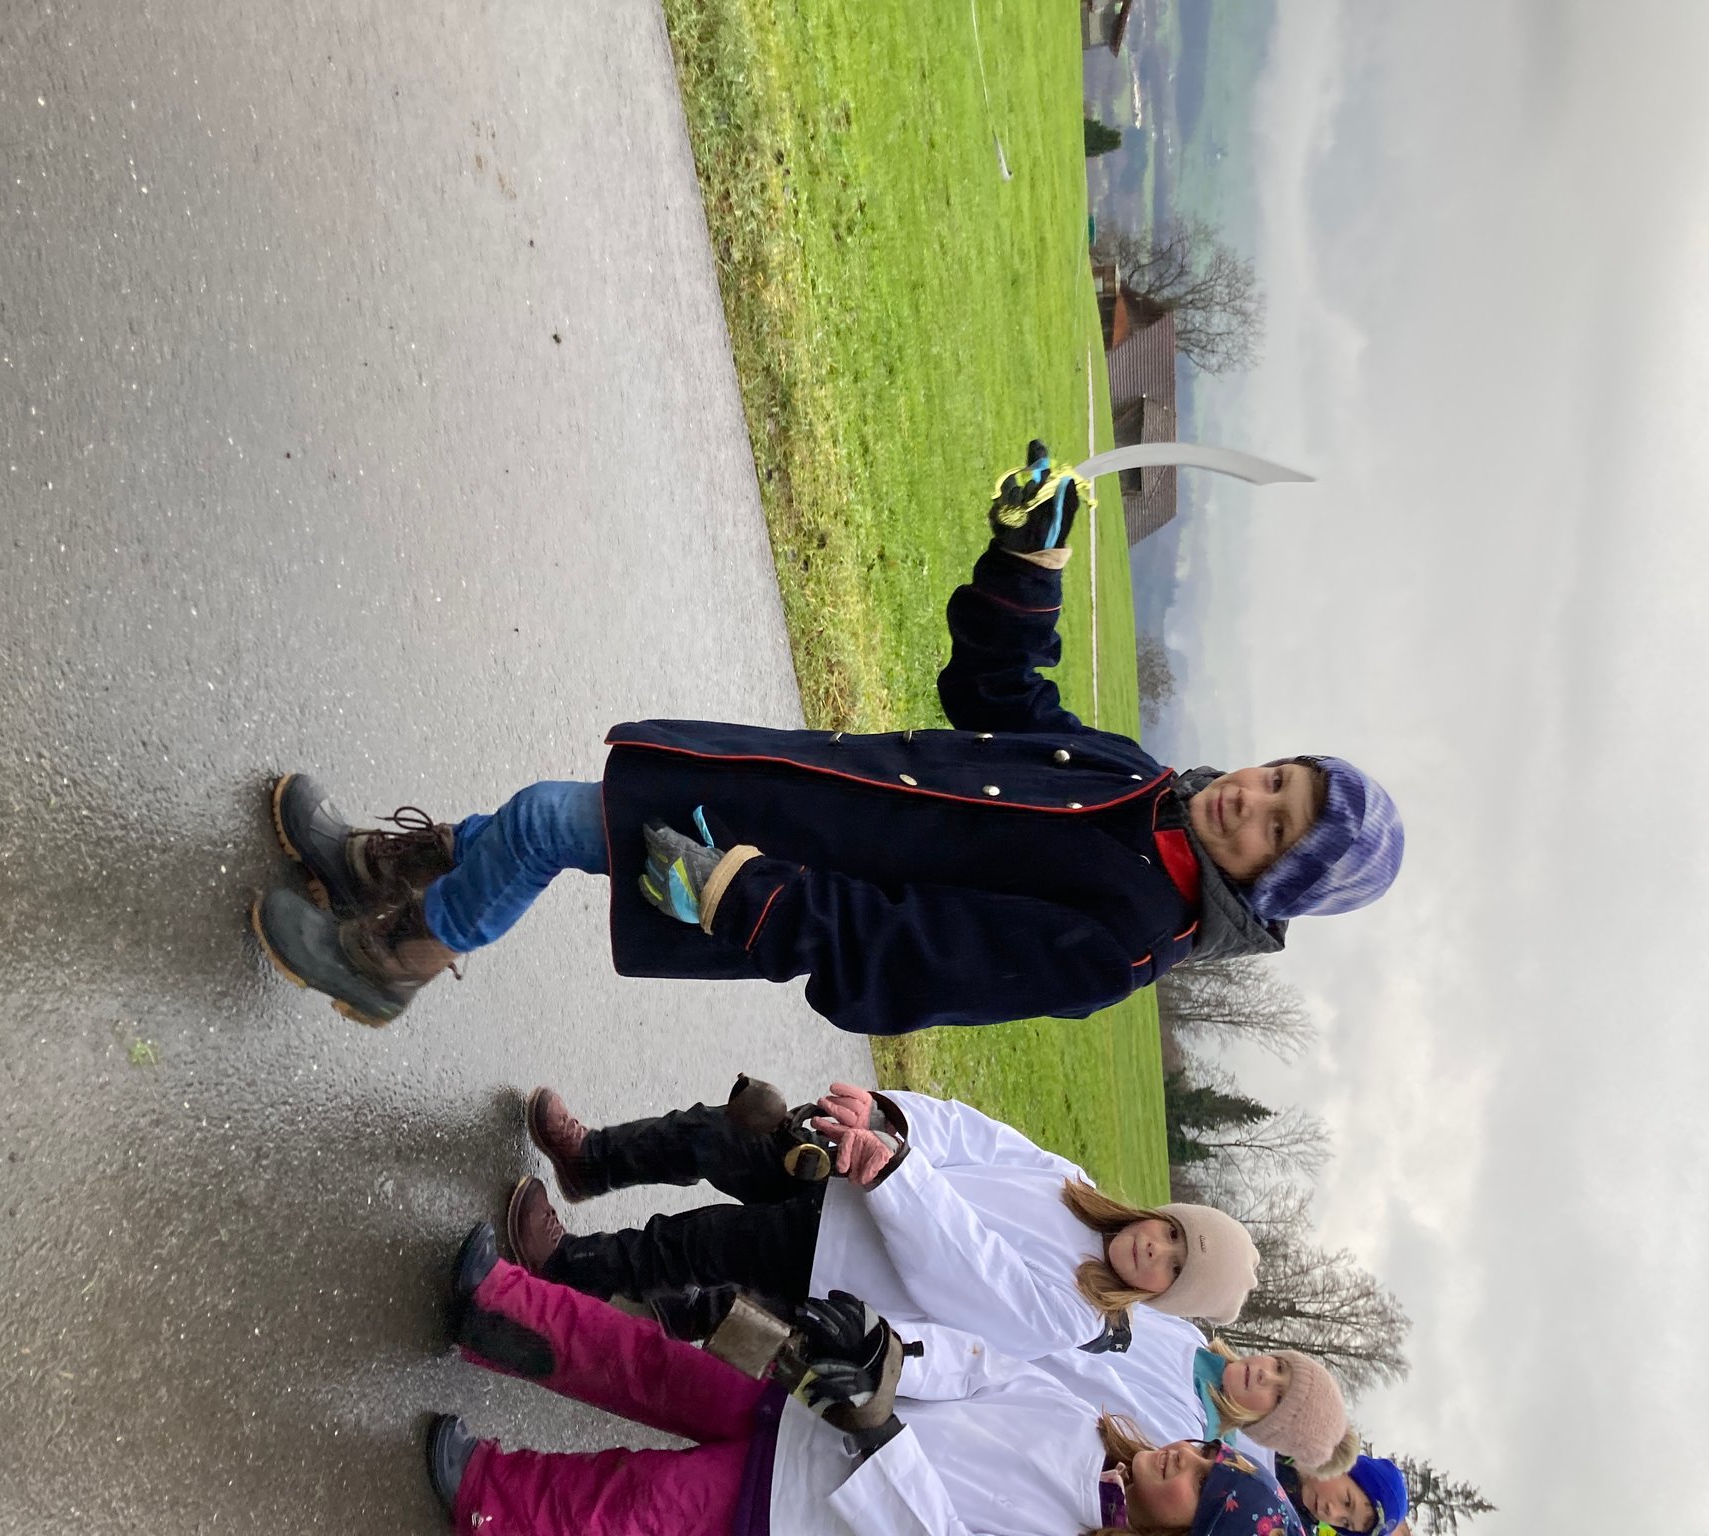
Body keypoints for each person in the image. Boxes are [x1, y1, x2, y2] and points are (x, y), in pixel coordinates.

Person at [249, 444, 1406, 1029]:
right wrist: (1027, 562)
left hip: (760, 869)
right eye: (1276, 779)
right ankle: (380, 873)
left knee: (555, 820)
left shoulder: (1131, 939)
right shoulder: (1138, 783)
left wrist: (747, 900)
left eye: (1274, 829)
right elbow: (1002, 697)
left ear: (1270, 883)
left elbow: (919, 960)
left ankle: (395, 960)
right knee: (552, 815)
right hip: (793, 790)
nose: (1249, 798)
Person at [428, 1218, 1307, 1536]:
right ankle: (500, 1311)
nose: (1185, 1462)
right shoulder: (1092, 1433)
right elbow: (984, 1370)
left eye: (1199, 1492)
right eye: (1205, 1459)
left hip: (796, 1505)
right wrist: (885, 1353)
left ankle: (489, 1494)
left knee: (636, 1504)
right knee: (650, 1364)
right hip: (806, 1402)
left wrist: (882, 1434)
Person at [504, 1080, 1258, 1363]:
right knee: (711, 1131)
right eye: (1171, 1232)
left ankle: (564, 1269)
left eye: (1171, 1268)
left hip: (838, 1251)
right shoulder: (1075, 1186)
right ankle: (592, 1160)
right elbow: (976, 1135)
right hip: (848, 1170)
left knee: (689, 1245)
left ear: (1160, 1296)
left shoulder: (1070, 1316)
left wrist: (896, 1172)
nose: (1155, 1248)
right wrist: (890, 1123)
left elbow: (967, 1267)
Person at [1035, 1306, 1358, 1480]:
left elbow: (1083, 1384)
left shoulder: (1184, 1430)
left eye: (1278, 1396)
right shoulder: (1191, 1337)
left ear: (1265, 1426)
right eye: (1279, 1366)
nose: (1266, 1374)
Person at [1277, 1454, 1408, 1536]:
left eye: (1345, 1523)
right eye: (1347, 1502)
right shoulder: (1287, 1433)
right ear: (1344, 1467)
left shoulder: (1289, 1529)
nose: (1332, 1513)